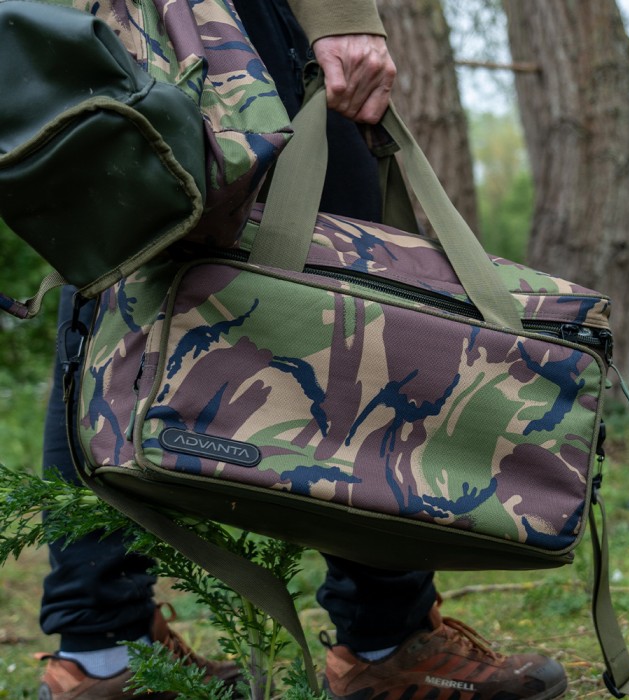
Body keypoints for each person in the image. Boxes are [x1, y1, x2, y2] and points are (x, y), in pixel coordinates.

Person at [38, 1, 568, 698]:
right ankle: (383, 638)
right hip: (221, 21)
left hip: (108, 23)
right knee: (353, 283)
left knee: (118, 278)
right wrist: (339, 15)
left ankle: (104, 654)